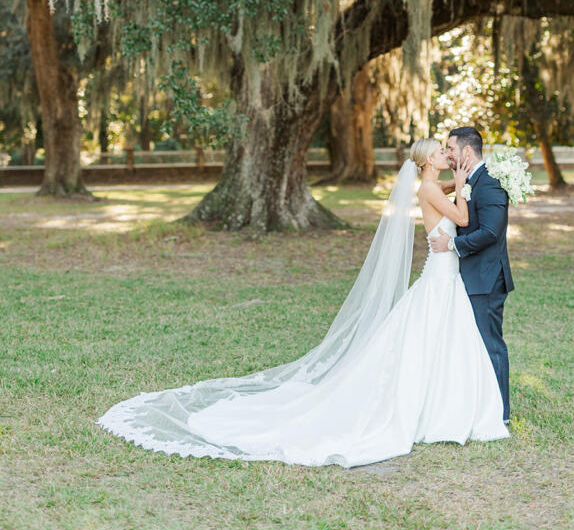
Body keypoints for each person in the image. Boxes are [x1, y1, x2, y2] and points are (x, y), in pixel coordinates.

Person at [97, 138, 508, 467]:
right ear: (427, 161)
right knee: (433, 335)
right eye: (441, 152)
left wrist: (466, 180)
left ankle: (442, 403)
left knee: (437, 337)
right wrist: (466, 188)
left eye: (449, 150)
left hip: (443, 271)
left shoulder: (432, 185)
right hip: (440, 273)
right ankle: (436, 407)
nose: (447, 154)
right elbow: (465, 221)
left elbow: (451, 192)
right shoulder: (433, 187)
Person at [430, 126, 514, 423]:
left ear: (467, 152)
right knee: (470, 344)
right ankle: (477, 404)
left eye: (450, 148)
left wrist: (452, 243)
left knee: (490, 344)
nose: (448, 153)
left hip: (486, 279)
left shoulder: (489, 184)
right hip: (467, 276)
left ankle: (500, 413)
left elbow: (490, 232)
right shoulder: (469, 181)